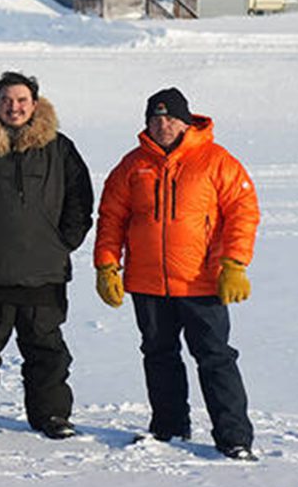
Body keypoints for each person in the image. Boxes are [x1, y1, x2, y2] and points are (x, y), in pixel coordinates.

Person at [93, 87, 261, 460]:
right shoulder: (132, 165)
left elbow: (243, 212)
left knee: (215, 357)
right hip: (147, 282)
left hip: (202, 281)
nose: (162, 124)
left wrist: (234, 263)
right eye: (155, 118)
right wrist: (107, 264)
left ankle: (233, 437)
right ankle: (169, 427)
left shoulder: (216, 161)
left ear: (186, 121)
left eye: (170, 117)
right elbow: (111, 217)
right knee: (158, 354)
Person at [0, 71, 93, 438]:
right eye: (7, 100)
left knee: (46, 349)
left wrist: (63, 240)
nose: (14, 107)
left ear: (36, 104)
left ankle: (52, 416)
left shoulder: (59, 148)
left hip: (43, 269)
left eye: (22, 100)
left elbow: (80, 199)